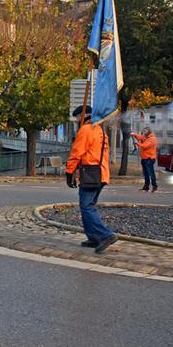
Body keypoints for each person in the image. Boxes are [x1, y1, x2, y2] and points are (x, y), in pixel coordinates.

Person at [66, 105, 117, 253]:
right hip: (101, 173)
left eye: (77, 117)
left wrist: (70, 173)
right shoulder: (100, 130)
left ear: (83, 116)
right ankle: (94, 238)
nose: (76, 120)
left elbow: (77, 152)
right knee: (89, 206)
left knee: (87, 207)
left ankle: (105, 235)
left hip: (90, 173)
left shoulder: (86, 130)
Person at [131, 126, 159, 193]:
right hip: (144, 158)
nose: (144, 132)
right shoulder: (145, 137)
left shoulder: (152, 139)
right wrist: (134, 134)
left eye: (145, 131)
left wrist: (137, 143)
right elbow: (140, 137)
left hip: (149, 159)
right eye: (143, 131)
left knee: (151, 173)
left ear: (149, 131)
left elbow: (145, 146)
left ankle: (154, 186)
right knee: (145, 173)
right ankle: (146, 187)